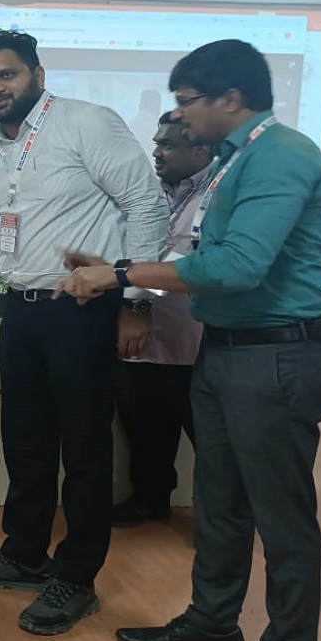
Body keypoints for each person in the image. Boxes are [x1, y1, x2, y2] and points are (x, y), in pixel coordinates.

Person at [57, 39, 321, 641]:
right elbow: (199, 251)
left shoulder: (281, 155)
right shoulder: (235, 158)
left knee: (282, 519)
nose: (181, 116)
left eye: (188, 101)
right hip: (227, 348)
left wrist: (120, 275)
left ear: (230, 97)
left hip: (278, 352)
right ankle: (213, 624)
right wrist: (116, 267)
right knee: (219, 503)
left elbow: (238, 266)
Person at [0, 29, 168, 636]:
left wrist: (135, 300)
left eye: (6, 75)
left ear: (37, 74)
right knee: (25, 438)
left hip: (82, 307)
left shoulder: (86, 123)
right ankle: (25, 552)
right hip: (20, 308)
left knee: (83, 446)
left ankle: (76, 576)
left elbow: (146, 204)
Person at [112, 111, 213, 527]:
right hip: (146, 340)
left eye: (168, 144)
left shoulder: (219, 194)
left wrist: (138, 294)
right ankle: (150, 500)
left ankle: (217, 522)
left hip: (199, 342)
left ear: (201, 149)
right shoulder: (147, 195)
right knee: (146, 430)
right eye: (156, 143)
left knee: (211, 441)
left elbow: (194, 263)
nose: (156, 152)